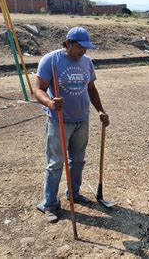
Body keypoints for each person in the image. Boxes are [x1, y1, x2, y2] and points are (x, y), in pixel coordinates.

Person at [34, 26, 109, 223]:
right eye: (79, 47)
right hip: (59, 120)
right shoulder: (51, 61)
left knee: (78, 161)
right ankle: (49, 204)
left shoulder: (87, 62)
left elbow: (91, 88)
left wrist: (100, 110)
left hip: (82, 119)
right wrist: (50, 103)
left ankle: (73, 193)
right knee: (55, 163)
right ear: (68, 43)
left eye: (86, 48)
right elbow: (38, 89)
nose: (83, 51)